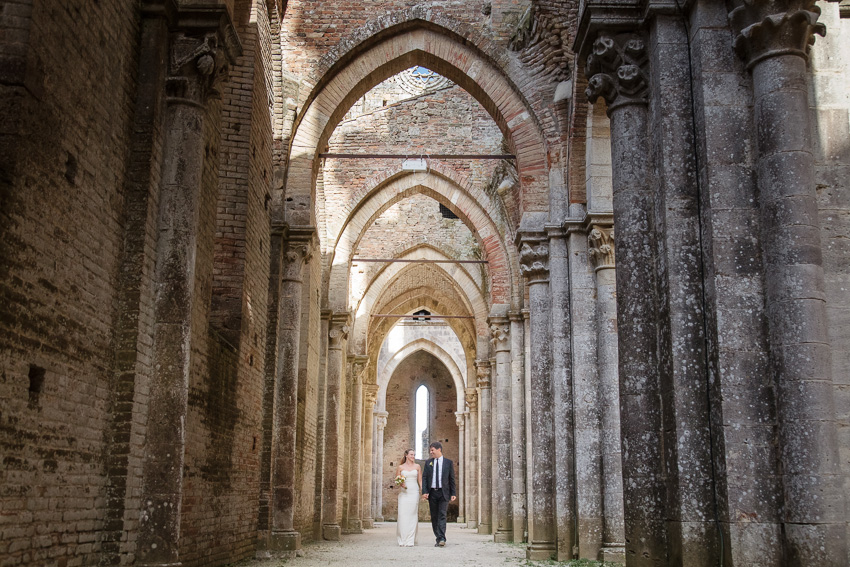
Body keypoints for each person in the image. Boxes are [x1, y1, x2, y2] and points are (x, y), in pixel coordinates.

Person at [420, 441, 456, 547]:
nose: (431, 452)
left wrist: (453, 493)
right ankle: (438, 537)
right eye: (430, 450)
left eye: (432, 450)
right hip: (432, 493)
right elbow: (425, 478)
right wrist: (425, 492)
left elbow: (451, 479)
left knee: (442, 515)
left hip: (444, 492)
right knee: (434, 516)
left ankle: (442, 538)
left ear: (439, 449)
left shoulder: (448, 463)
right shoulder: (428, 463)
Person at [395, 448, 422, 546]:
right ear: (406, 455)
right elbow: (397, 479)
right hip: (404, 493)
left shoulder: (417, 466)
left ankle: (410, 540)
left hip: (414, 492)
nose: (413, 456)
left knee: (412, 515)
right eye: (411, 455)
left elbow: (420, 480)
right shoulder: (400, 467)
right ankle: (402, 539)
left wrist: (423, 490)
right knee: (402, 515)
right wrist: (401, 484)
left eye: (414, 455)